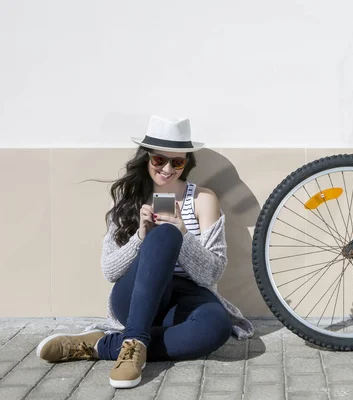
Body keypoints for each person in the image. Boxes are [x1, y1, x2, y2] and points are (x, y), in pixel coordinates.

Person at [35, 115, 254, 389]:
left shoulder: (202, 199)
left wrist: (183, 234)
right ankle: (134, 340)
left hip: (185, 296)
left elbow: (213, 272)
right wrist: (140, 237)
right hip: (135, 294)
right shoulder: (129, 199)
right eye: (159, 160)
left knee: (216, 328)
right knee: (161, 235)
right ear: (146, 158)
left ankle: (105, 345)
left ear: (187, 163)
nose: (167, 169)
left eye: (177, 161)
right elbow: (110, 270)